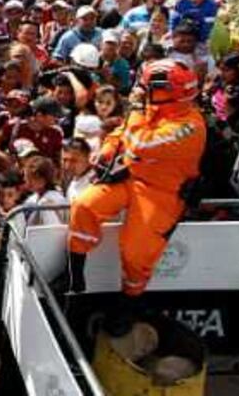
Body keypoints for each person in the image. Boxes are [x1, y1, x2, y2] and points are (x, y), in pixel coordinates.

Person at [65, 59, 207, 336]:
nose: (140, 90)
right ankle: (75, 277)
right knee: (84, 206)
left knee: (137, 253)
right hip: (129, 177)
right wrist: (107, 152)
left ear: (164, 90)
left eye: (146, 87)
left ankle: (128, 303)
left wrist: (137, 110)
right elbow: (123, 133)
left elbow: (140, 143)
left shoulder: (189, 127)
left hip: (162, 191)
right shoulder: (155, 107)